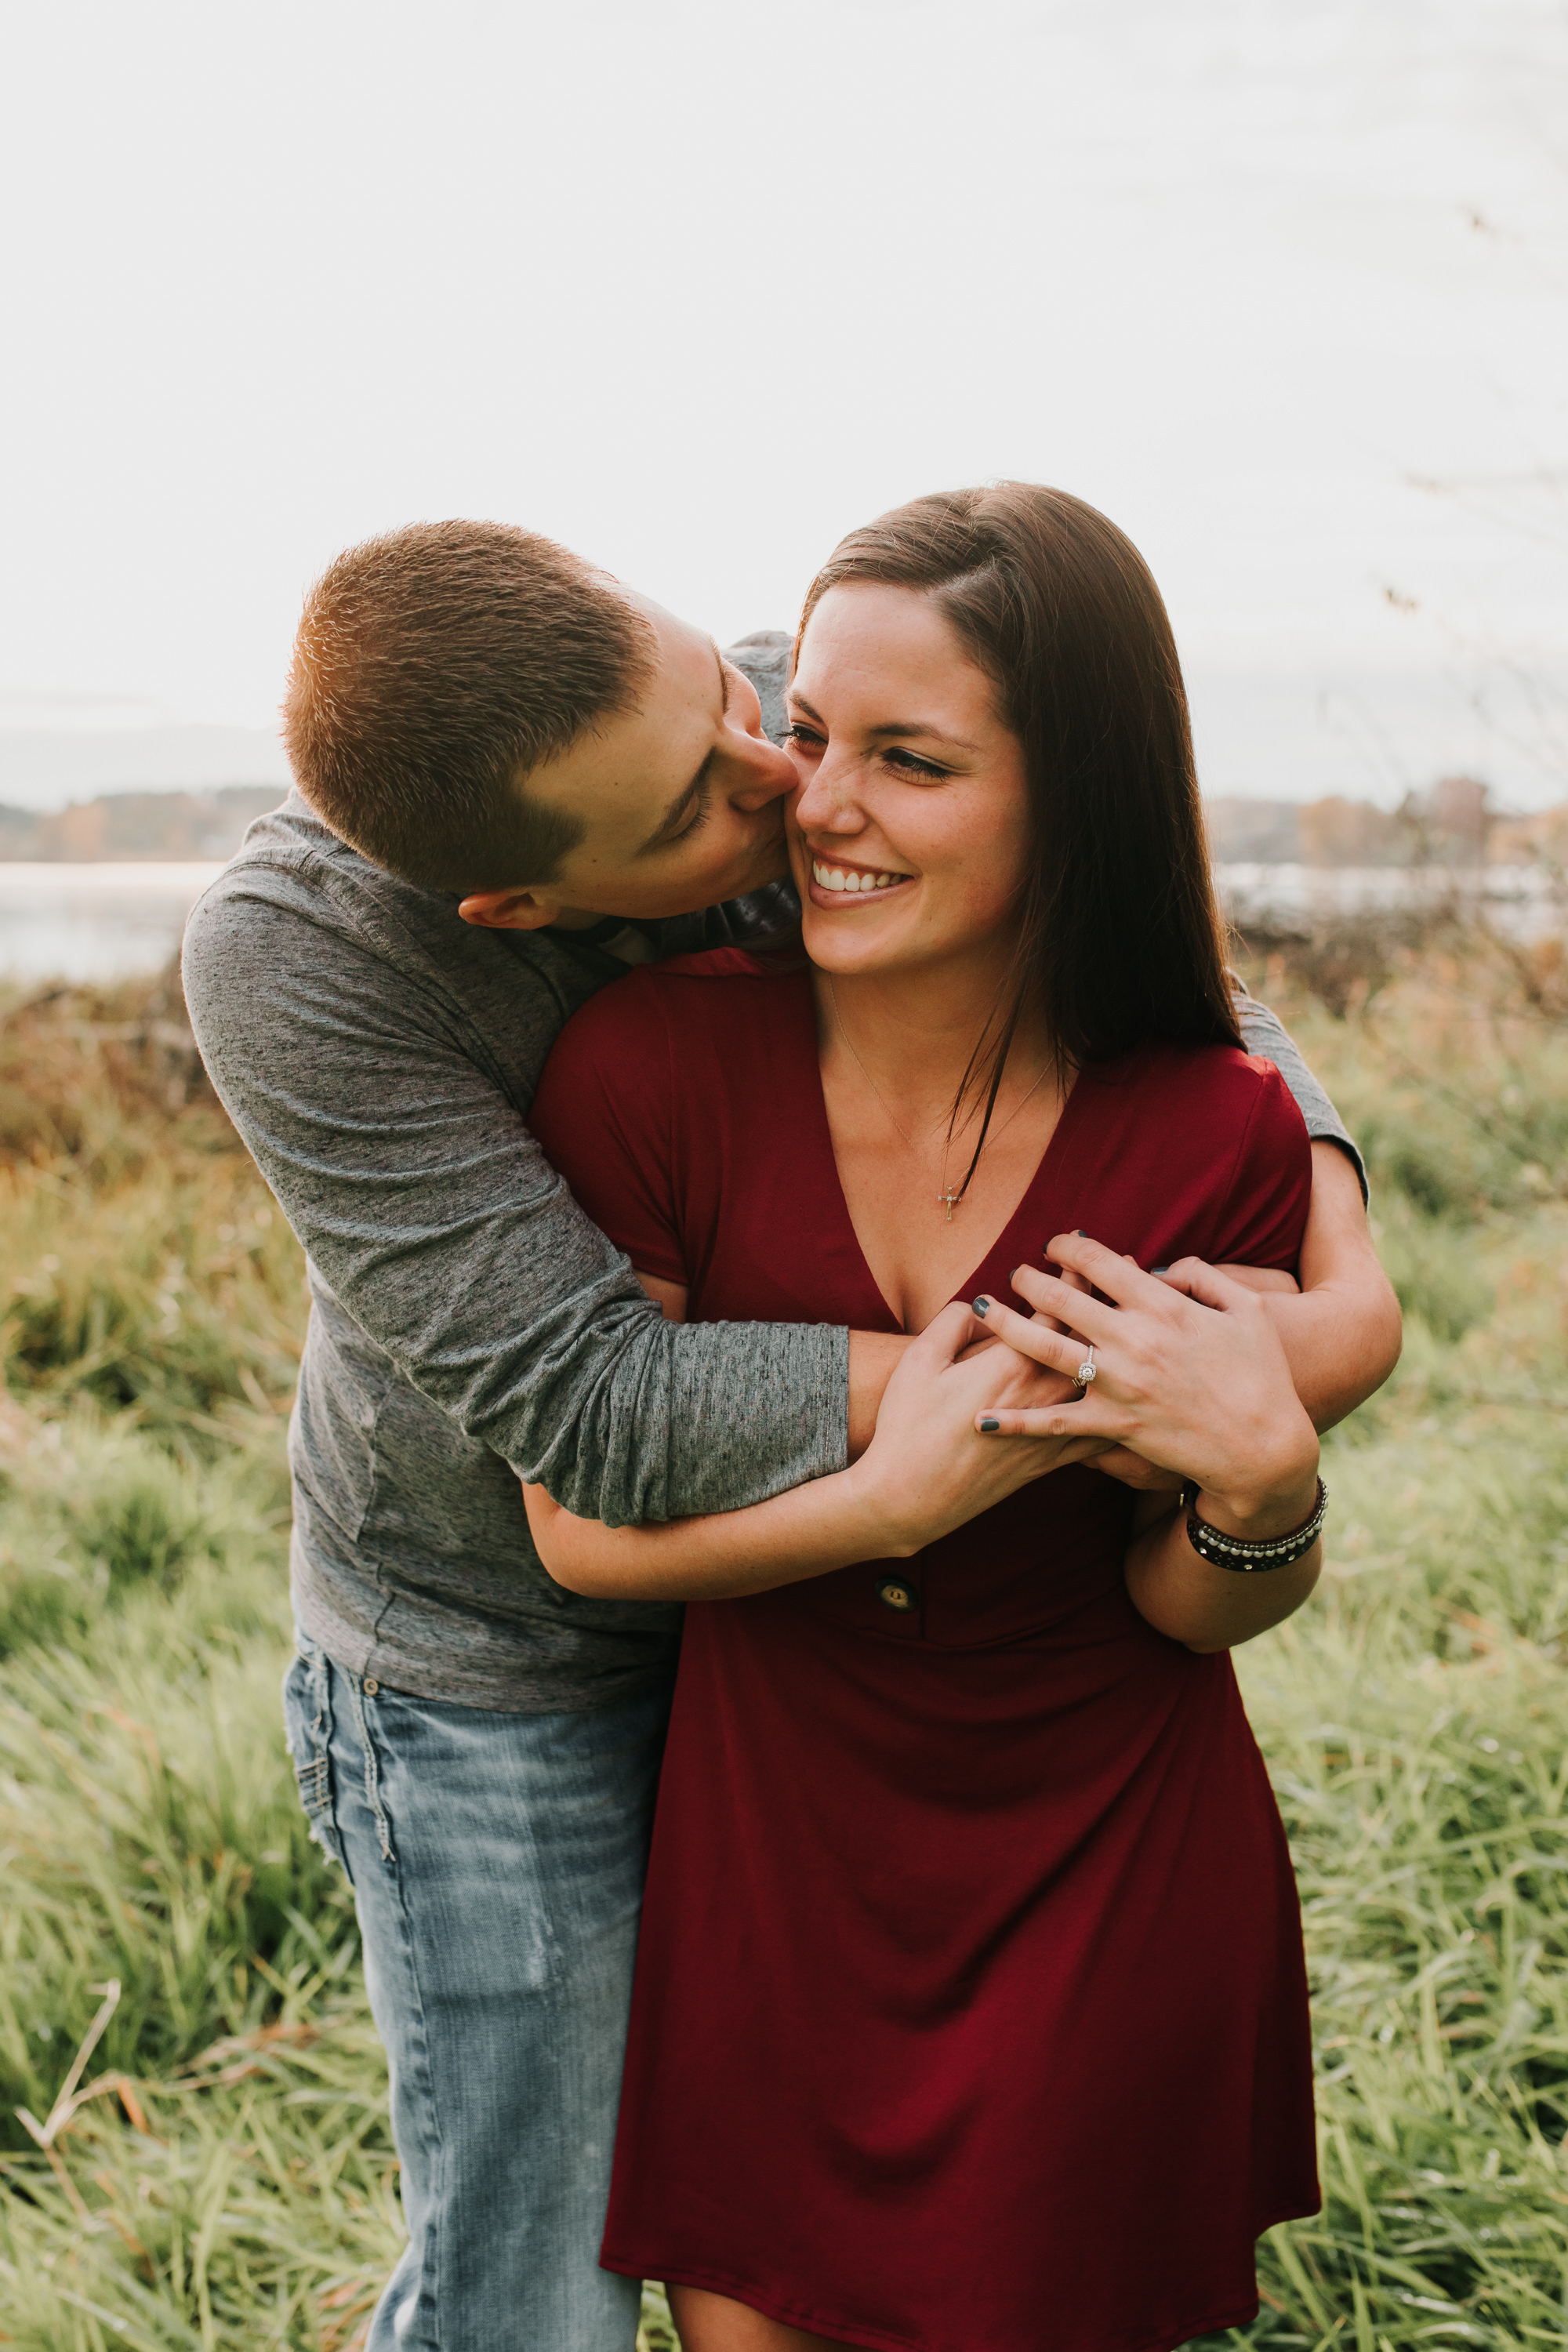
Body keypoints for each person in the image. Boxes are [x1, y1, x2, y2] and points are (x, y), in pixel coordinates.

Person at [182, 519, 1399, 2351]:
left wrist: (1334, 1317)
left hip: (821, 1674)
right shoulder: (303, 962)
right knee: (540, 2294)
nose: (783, 792)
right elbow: (592, 1415)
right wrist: (1040, 1372)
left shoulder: (778, 723)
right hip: (499, 1661)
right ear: (520, 904)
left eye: (753, 710)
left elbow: (1142, 953)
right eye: (700, 806)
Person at [523, 484, 1363, 2352]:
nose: (821, 805)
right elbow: (578, 1531)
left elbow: (1183, 1599)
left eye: (910, 759)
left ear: (1074, 799)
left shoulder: (1214, 1127)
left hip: (1107, 1877)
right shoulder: (648, 1068)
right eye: (810, 735)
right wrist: (888, 1507)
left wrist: (1267, 1487)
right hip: (777, 1881)